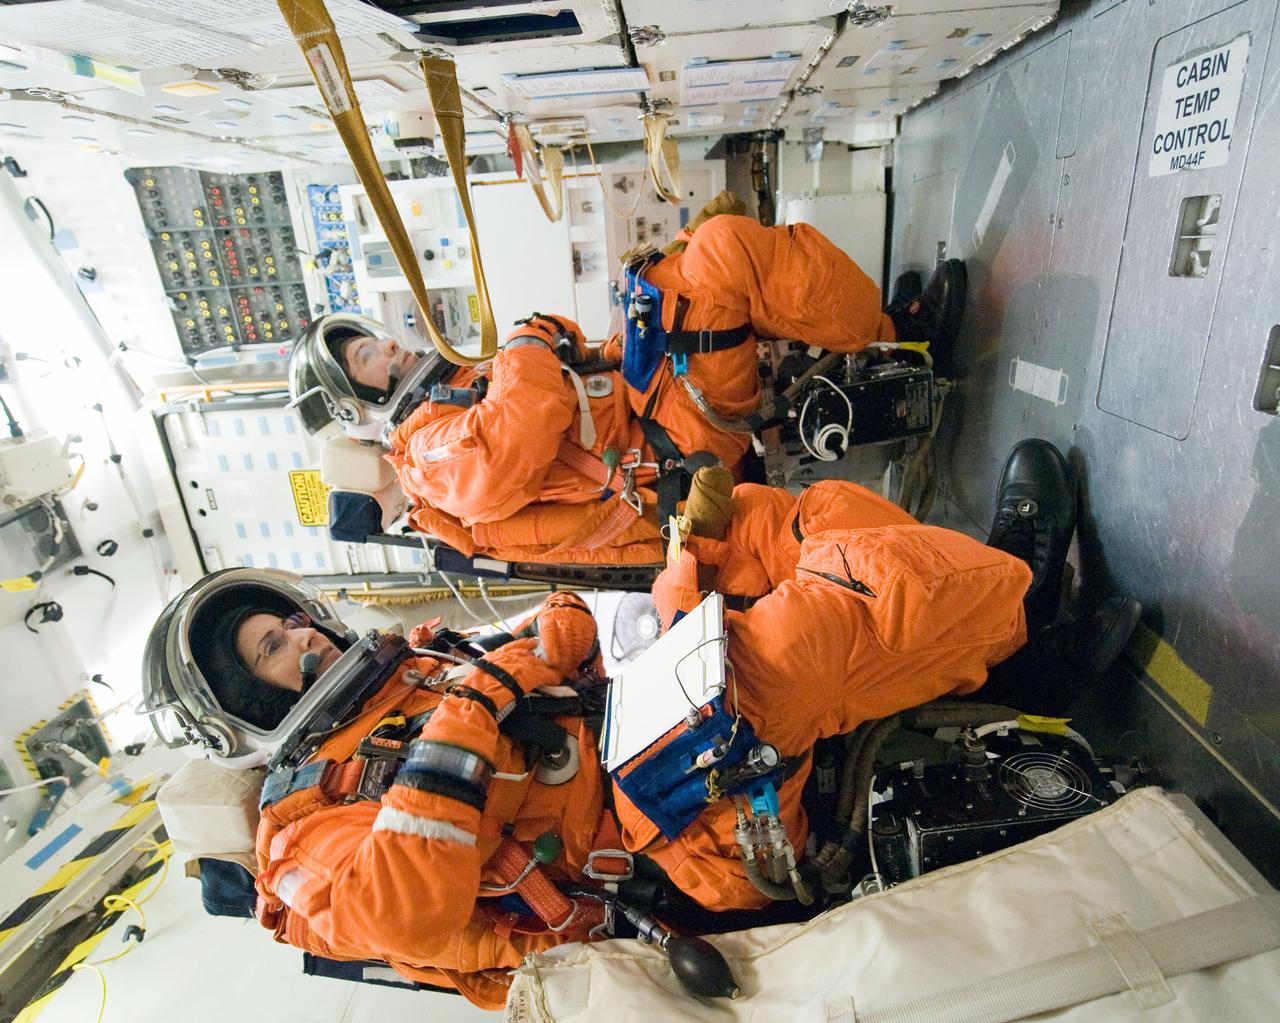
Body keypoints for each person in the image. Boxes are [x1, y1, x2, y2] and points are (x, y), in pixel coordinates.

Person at [142, 438, 1102, 1009]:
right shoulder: (299, 839)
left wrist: (568, 636)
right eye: (273, 650)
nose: (305, 641)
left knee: (754, 522)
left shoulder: (408, 668)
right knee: (799, 637)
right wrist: (478, 709)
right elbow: (408, 906)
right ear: (249, 708)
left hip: (645, 710)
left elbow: (551, 631)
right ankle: (1023, 628)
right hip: (666, 840)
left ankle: (996, 611)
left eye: (290, 623)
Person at [289, 208, 966, 567]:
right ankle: (895, 335)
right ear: (359, 404)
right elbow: (522, 428)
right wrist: (529, 335)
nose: (391, 345)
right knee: (721, 254)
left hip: (654, 408)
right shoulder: (427, 459)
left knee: (684, 252)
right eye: (368, 355)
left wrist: (625, 321)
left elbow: (575, 374)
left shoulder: (454, 394)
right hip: (676, 449)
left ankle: (873, 337)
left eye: (373, 337)